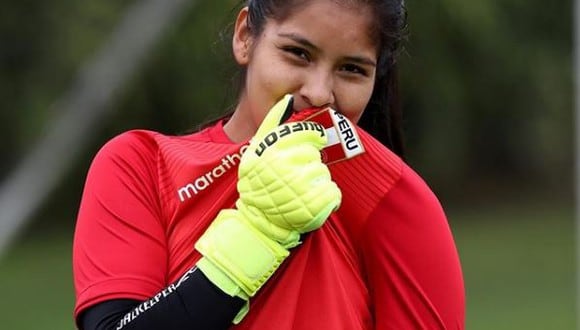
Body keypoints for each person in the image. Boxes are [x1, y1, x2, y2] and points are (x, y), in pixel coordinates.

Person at [72, 0, 465, 329]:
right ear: (245, 36)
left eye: (351, 69)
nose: (318, 92)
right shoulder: (140, 164)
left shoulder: (392, 197)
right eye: (298, 53)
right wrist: (258, 235)